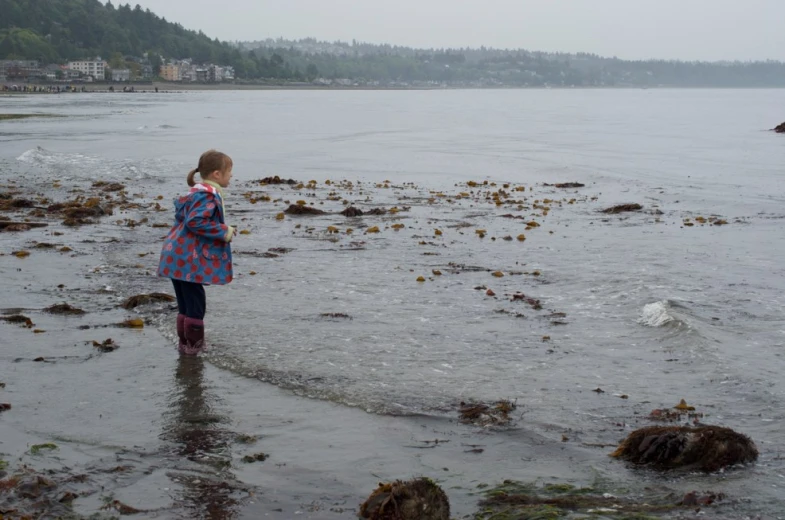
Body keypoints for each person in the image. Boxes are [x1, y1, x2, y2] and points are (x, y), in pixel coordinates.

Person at [158, 150, 235, 355]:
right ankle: (193, 348)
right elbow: (195, 221)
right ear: (217, 174)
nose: (232, 176)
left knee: (185, 303)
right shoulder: (207, 196)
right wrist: (224, 231)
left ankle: (185, 345)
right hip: (187, 260)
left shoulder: (194, 193)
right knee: (195, 304)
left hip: (176, 256)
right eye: (230, 172)